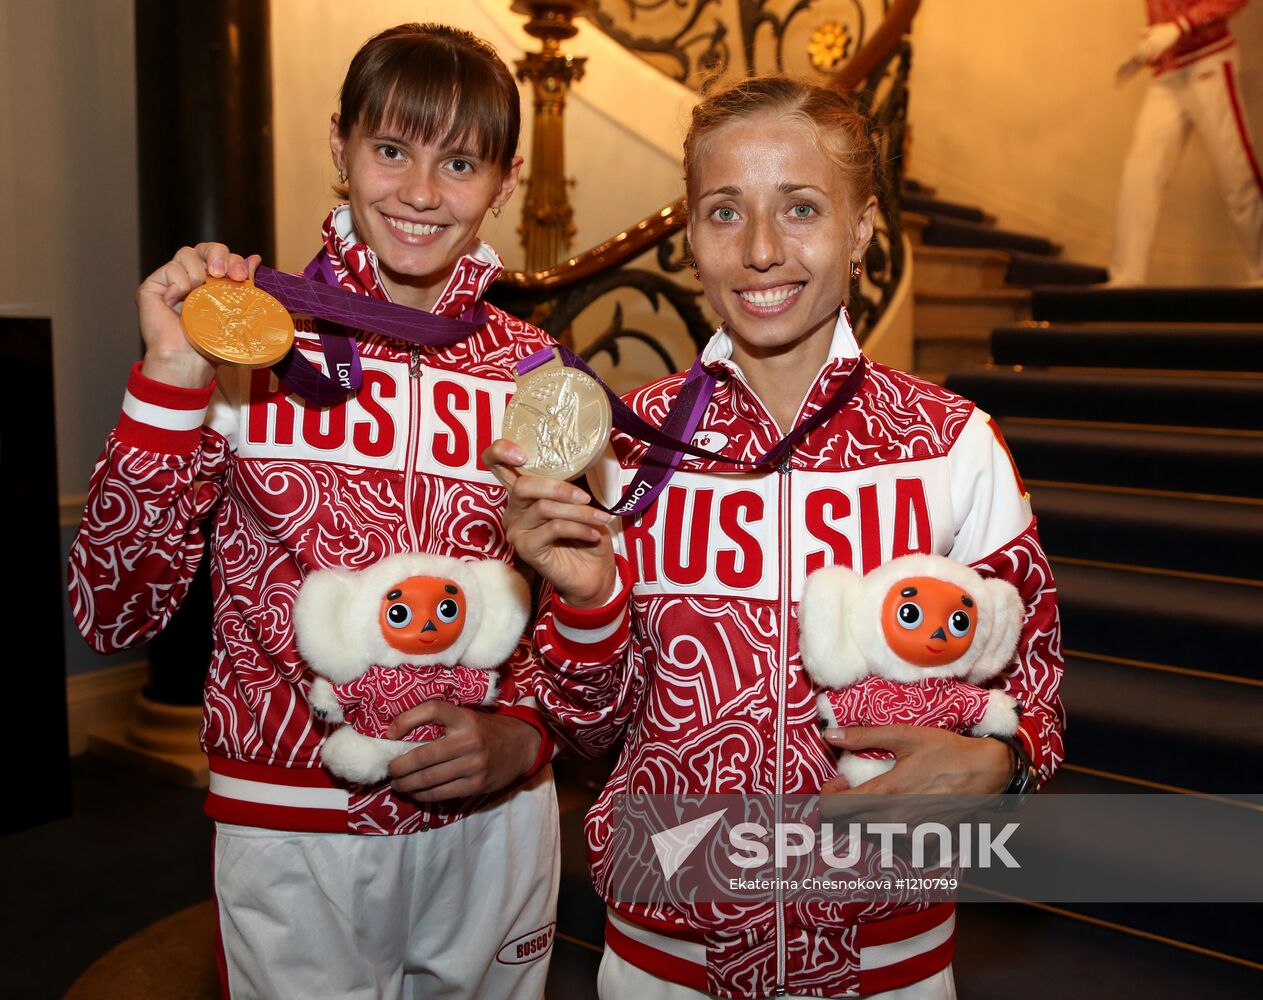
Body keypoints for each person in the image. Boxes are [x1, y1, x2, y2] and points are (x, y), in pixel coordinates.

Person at [488, 76, 1065, 999]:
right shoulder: (624, 445)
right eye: (725, 212)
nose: (760, 251)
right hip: (663, 958)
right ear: (689, 237)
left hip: (887, 960)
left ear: (862, 229)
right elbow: (586, 722)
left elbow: (1034, 683)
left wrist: (1005, 761)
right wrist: (589, 601)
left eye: (800, 207)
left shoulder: (952, 443)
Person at [69, 23, 560, 1000]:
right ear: (339, 145)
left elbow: (576, 597)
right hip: (293, 820)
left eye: (459, 161)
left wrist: (526, 732)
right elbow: (112, 610)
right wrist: (171, 373)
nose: (421, 194)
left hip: (493, 815)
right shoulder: (252, 334)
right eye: (391, 149)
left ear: (505, 179)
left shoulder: (537, 371)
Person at [1111, 0, 1263, 284]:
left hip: (1210, 60)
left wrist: (1180, 27)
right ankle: (1126, 275)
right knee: (1140, 173)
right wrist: (1145, 51)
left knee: (1236, 171)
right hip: (1167, 73)